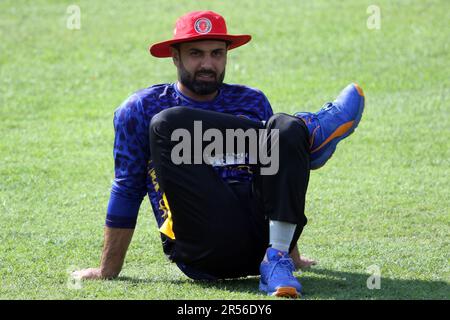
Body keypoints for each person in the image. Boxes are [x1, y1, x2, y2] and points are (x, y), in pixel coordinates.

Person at [73, 10, 365, 298]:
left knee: (283, 128)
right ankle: (309, 133)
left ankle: (277, 260)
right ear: (175, 57)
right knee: (167, 124)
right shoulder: (140, 108)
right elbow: (127, 187)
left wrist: (292, 254)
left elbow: (276, 180)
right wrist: (107, 269)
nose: (207, 64)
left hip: (259, 239)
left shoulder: (251, 100)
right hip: (203, 244)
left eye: (216, 54)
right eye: (196, 54)